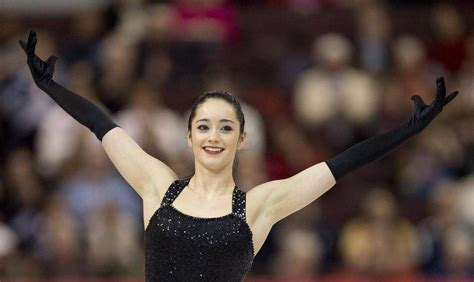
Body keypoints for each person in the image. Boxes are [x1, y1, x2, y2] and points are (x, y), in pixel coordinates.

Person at [19, 31, 459, 281]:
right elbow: (103, 126)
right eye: (204, 126)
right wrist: (50, 87)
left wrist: (408, 130)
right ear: (188, 137)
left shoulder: (260, 205)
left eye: (226, 127)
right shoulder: (155, 184)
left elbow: (342, 164)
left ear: (242, 139)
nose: (214, 136)